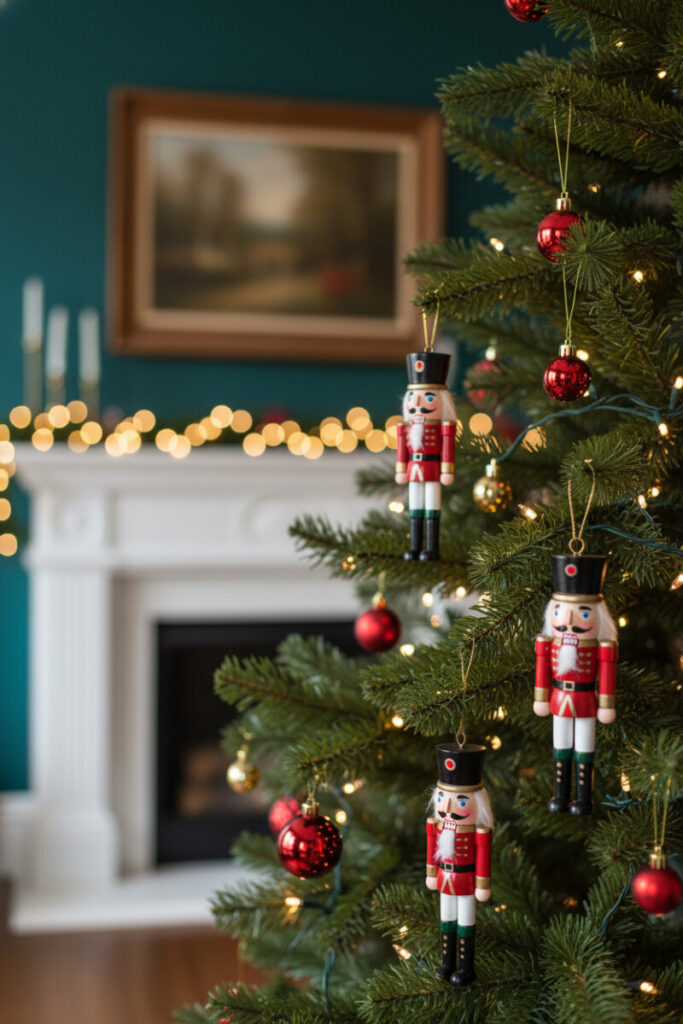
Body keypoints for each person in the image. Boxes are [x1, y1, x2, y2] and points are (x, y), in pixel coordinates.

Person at [534, 554, 618, 815]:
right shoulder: (548, 644)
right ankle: (560, 794)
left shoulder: (602, 647)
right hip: (559, 698)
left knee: (584, 748)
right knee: (560, 746)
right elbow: (542, 672)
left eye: (583, 612)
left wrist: (606, 703)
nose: (568, 620)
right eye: (559, 611)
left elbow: (606, 674)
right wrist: (541, 698)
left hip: (585, 701)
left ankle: (583, 797)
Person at [426, 742, 493, 988]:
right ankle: (447, 963)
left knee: (466, 921)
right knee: (446, 920)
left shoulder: (479, 832)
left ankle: (466, 967)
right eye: (442, 798)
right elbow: (431, 849)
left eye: (462, 802)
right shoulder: (436, 825)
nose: (449, 807)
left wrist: (483, 883)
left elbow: (484, 856)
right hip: (445, 878)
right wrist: (431, 872)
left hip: (466, 881)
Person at [395, 351, 456, 561]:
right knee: (415, 508)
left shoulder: (444, 427)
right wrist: (401, 469)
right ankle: (414, 547)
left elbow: (447, 448)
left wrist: (447, 469)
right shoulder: (405, 427)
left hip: (432, 468)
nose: (418, 402)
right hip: (414, 469)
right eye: (413, 396)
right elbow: (403, 449)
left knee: (432, 507)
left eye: (429, 396)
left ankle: (431, 548)